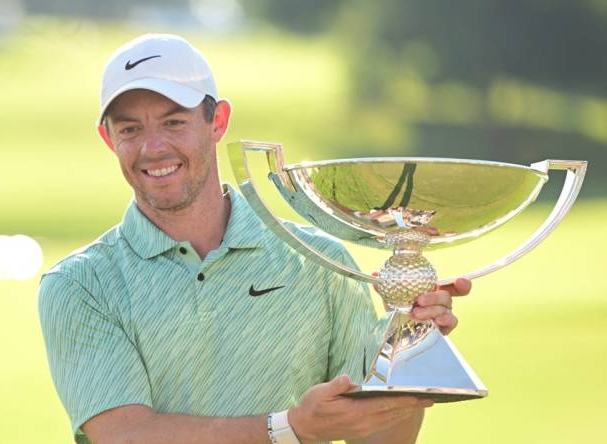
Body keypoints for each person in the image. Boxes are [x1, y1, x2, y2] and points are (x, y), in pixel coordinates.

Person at [38, 34, 472, 444]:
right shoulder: (80, 285)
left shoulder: (318, 260)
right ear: (108, 139)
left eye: (174, 122)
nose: (153, 147)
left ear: (218, 122)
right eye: (130, 129)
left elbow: (379, 439)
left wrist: (410, 349)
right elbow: (124, 434)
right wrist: (288, 428)